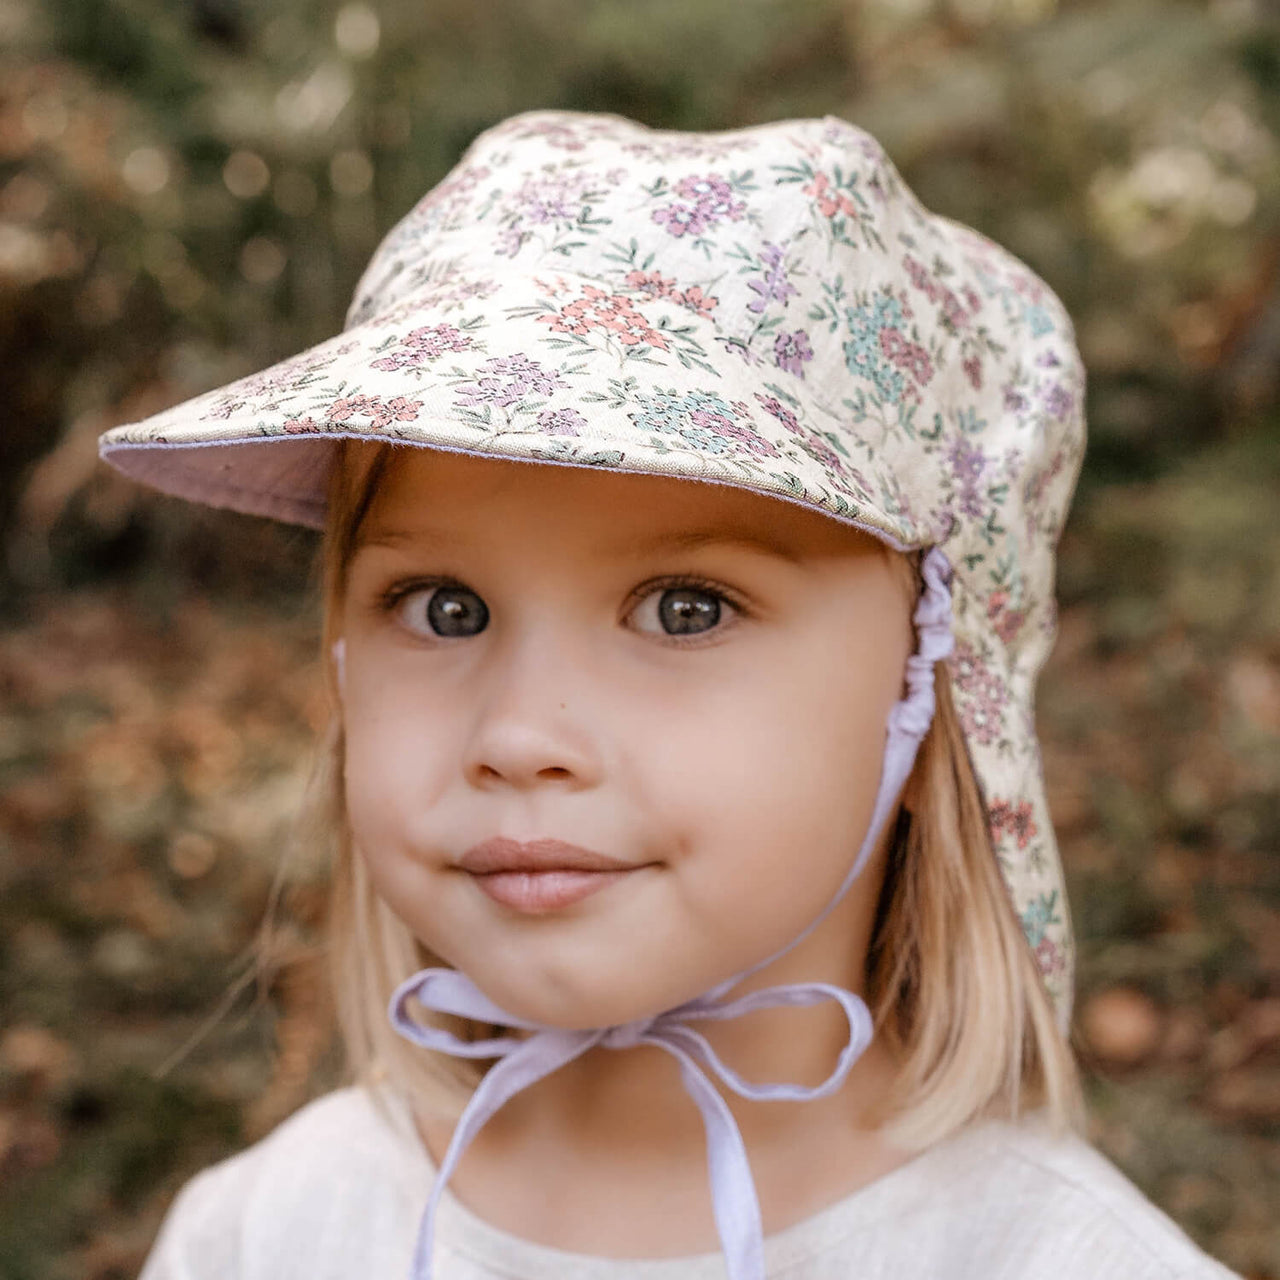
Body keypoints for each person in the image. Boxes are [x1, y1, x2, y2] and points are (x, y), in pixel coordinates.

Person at [98, 110, 1240, 1280]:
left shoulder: (1056, 1259)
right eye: (443, 607)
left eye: (684, 607)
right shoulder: (270, 1232)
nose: (519, 735)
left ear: (932, 681)